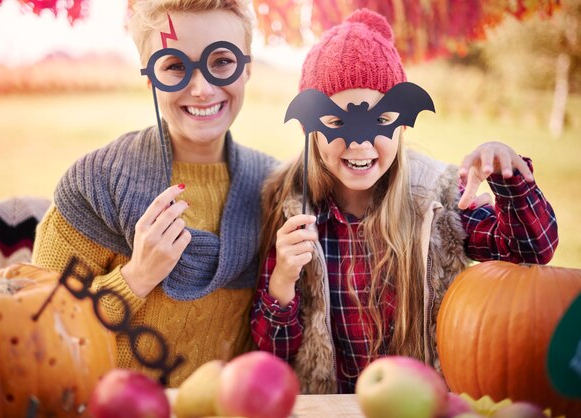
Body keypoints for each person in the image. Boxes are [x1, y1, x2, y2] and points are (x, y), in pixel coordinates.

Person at [250, 9, 558, 394]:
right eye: (336, 122)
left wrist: (508, 177)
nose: (359, 141)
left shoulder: (439, 200)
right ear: (310, 127)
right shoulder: (293, 211)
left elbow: (532, 249)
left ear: (403, 121)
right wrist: (283, 282)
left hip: (421, 404)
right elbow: (272, 353)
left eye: (380, 121)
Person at [33, 0, 276, 386]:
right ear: (150, 78)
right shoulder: (97, 184)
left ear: (247, 67)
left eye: (222, 62)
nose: (202, 88)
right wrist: (136, 277)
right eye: (175, 66)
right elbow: (40, 328)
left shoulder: (274, 189)